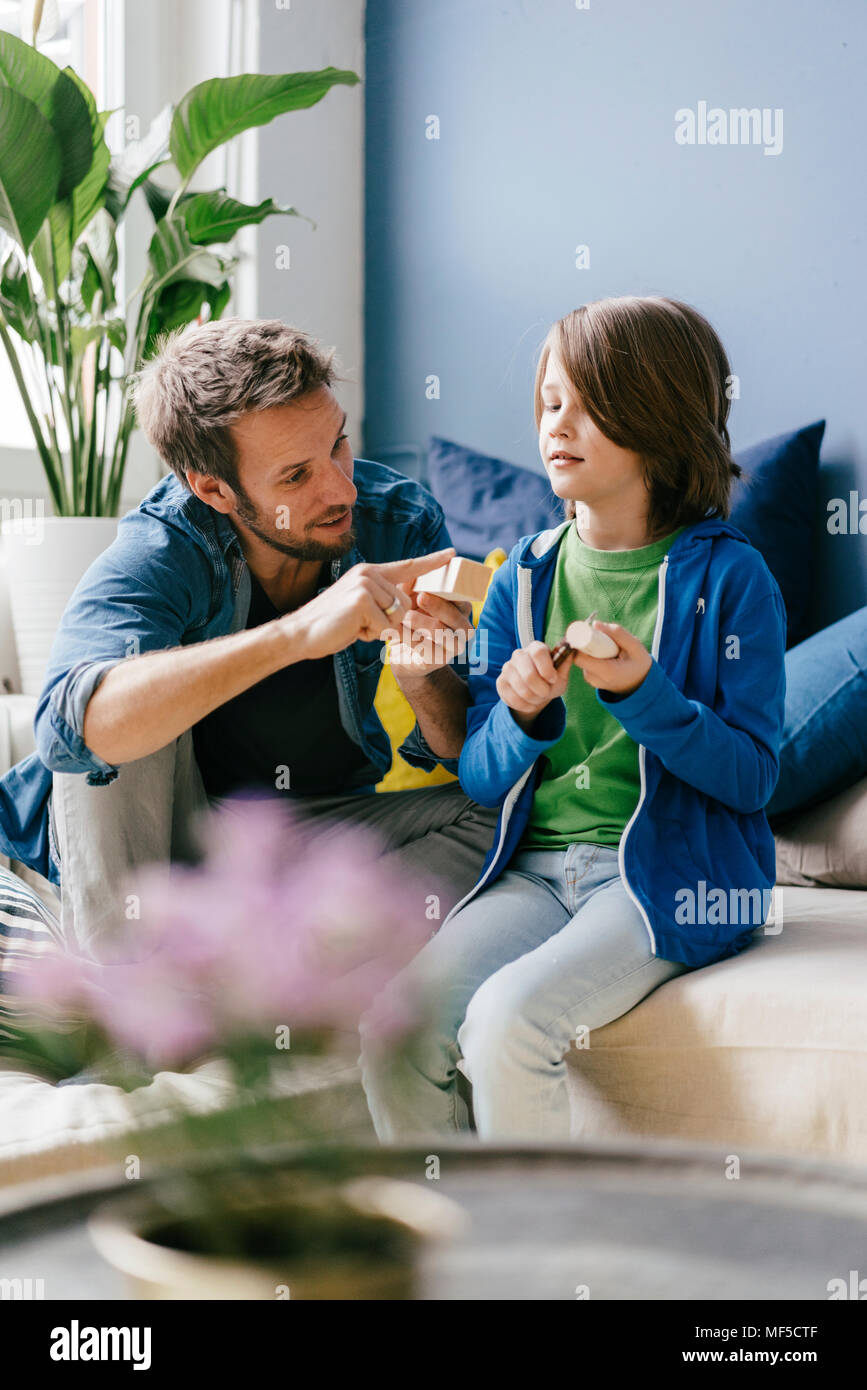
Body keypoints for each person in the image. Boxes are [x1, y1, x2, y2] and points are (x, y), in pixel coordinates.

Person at [359, 295, 787, 1142]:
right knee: (391, 1031)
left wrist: (643, 696)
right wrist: (519, 716)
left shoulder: (732, 581)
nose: (559, 425)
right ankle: (451, 1257)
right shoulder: (520, 575)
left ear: (659, 421)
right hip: (535, 873)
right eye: (551, 403)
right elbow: (479, 774)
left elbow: (750, 778)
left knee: (507, 1024)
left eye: (590, 406)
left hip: (669, 879)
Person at [0, 318, 498, 961]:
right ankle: (131, 1008)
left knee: (508, 819)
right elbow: (72, 727)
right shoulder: (163, 547)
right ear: (213, 489)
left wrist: (421, 677)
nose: (343, 488)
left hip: (307, 832)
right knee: (117, 718)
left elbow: (465, 750)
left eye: (339, 445)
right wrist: (296, 634)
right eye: (295, 477)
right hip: (167, 834)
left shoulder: (399, 521)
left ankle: (258, 971)